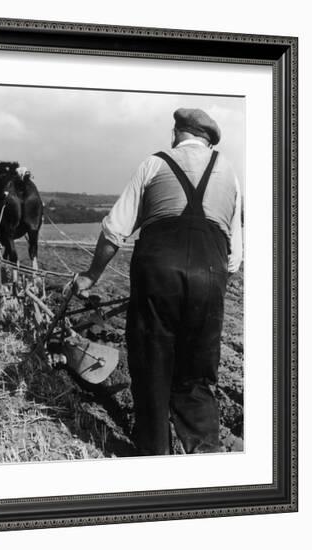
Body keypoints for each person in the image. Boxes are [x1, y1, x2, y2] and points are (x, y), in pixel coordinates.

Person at [73, 108, 243, 455]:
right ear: (208, 139)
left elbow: (113, 231)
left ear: (178, 132)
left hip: (158, 275)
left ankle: (155, 457)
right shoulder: (230, 174)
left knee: (152, 368)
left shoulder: (154, 163)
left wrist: (91, 276)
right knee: (197, 376)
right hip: (210, 279)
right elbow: (235, 259)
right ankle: (208, 461)